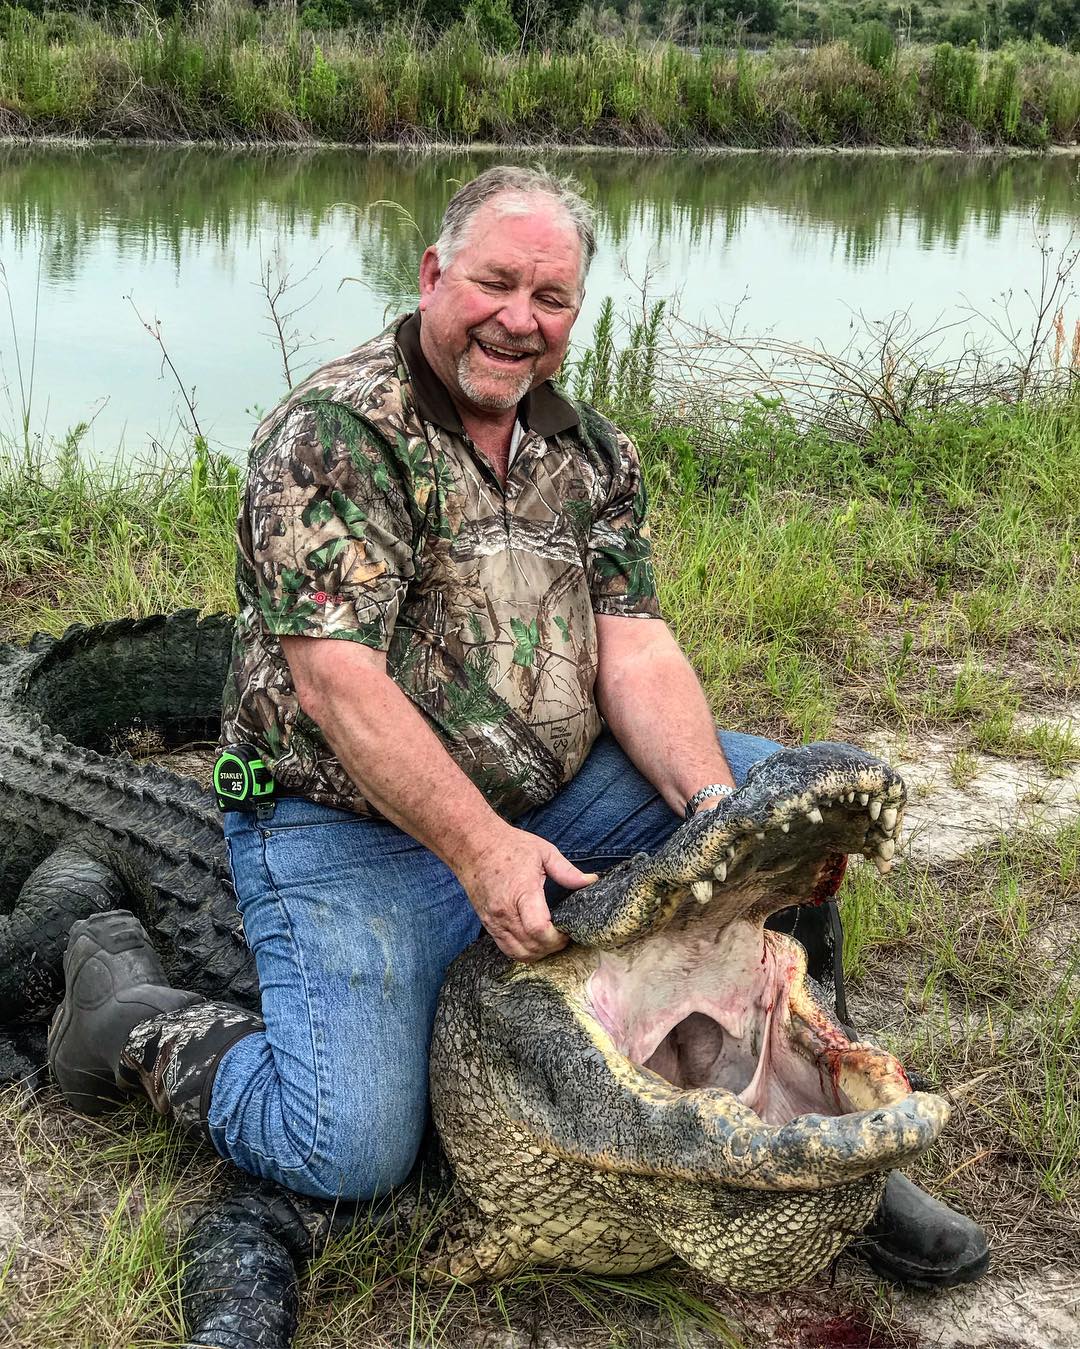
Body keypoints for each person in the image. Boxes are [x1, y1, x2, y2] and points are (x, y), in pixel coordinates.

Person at [49, 166, 987, 1288]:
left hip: (560, 784)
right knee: (347, 1144)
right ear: (435, 274)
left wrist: (709, 818)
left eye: (551, 298)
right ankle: (130, 1025)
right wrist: (483, 850)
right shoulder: (336, 432)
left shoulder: (590, 450)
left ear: (575, 314)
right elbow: (338, 682)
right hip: (346, 822)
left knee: (778, 802)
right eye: (496, 281)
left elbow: (633, 640)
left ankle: (809, 1121)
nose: (519, 319)